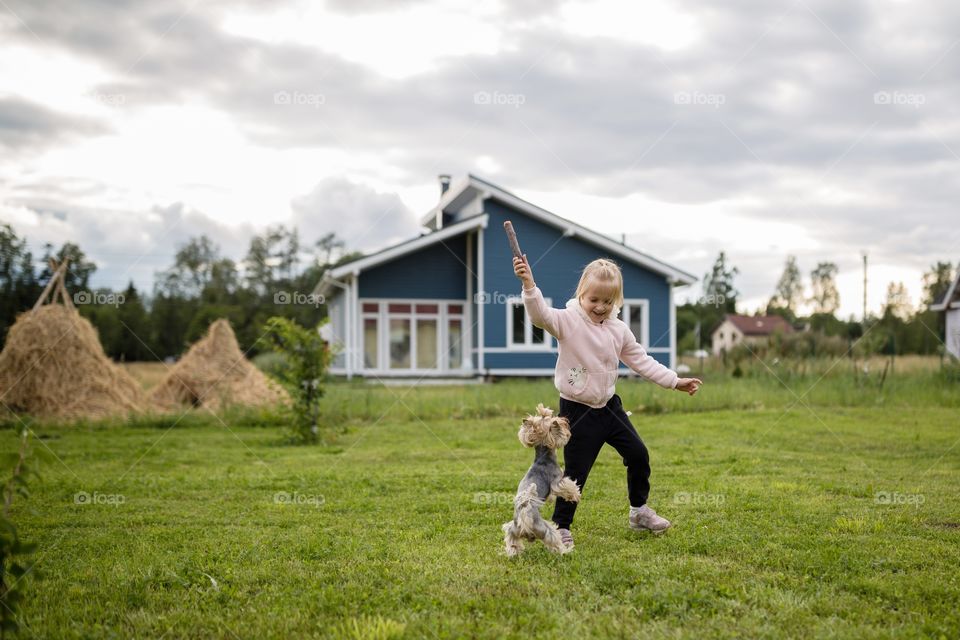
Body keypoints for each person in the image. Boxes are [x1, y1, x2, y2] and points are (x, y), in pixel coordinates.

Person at [513, 254, 701, 549]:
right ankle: (562, 526)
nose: (600, 307)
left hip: (610, 409)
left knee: (639, 454)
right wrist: (529, 284)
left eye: (607, 302)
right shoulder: (568, 321)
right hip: (577, 413)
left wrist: (675, 381)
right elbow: (540, 316)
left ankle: (639, 512)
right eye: (594, 300)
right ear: (581, 295)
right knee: (575, 474)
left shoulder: (618, 330)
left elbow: (641, 360)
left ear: (617, 301)